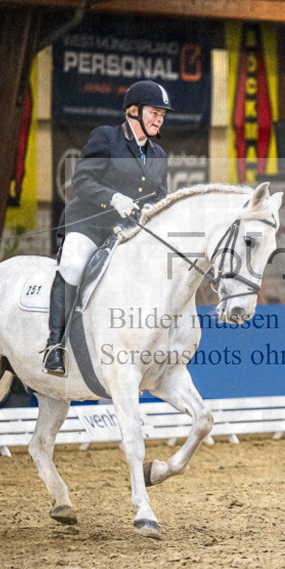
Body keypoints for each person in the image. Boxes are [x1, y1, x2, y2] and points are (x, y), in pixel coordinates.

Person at [43, 80, 172, 376]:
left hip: (125, 232)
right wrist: (113, 198)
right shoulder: (106, 137)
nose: (159, 119)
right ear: (133, 111)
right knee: (74, 266)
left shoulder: (159, 155)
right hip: (88, 223)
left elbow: (161, 197)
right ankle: (55, 346)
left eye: (162, 115)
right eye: (154, 112)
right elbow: (82, 181)